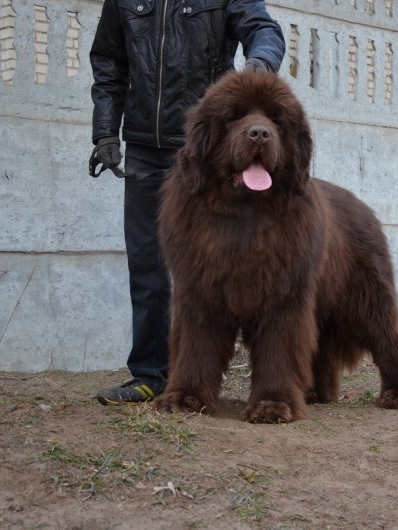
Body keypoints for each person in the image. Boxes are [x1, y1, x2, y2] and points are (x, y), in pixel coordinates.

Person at [88, 0, 285, 405]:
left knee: (213, 270)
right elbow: (109, 62)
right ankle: (150, 376)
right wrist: (106, 133)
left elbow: (264, 29)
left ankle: (206, 377)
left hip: (204, 148)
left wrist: (259, 66)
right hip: (143, 145)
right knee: (146, 263)